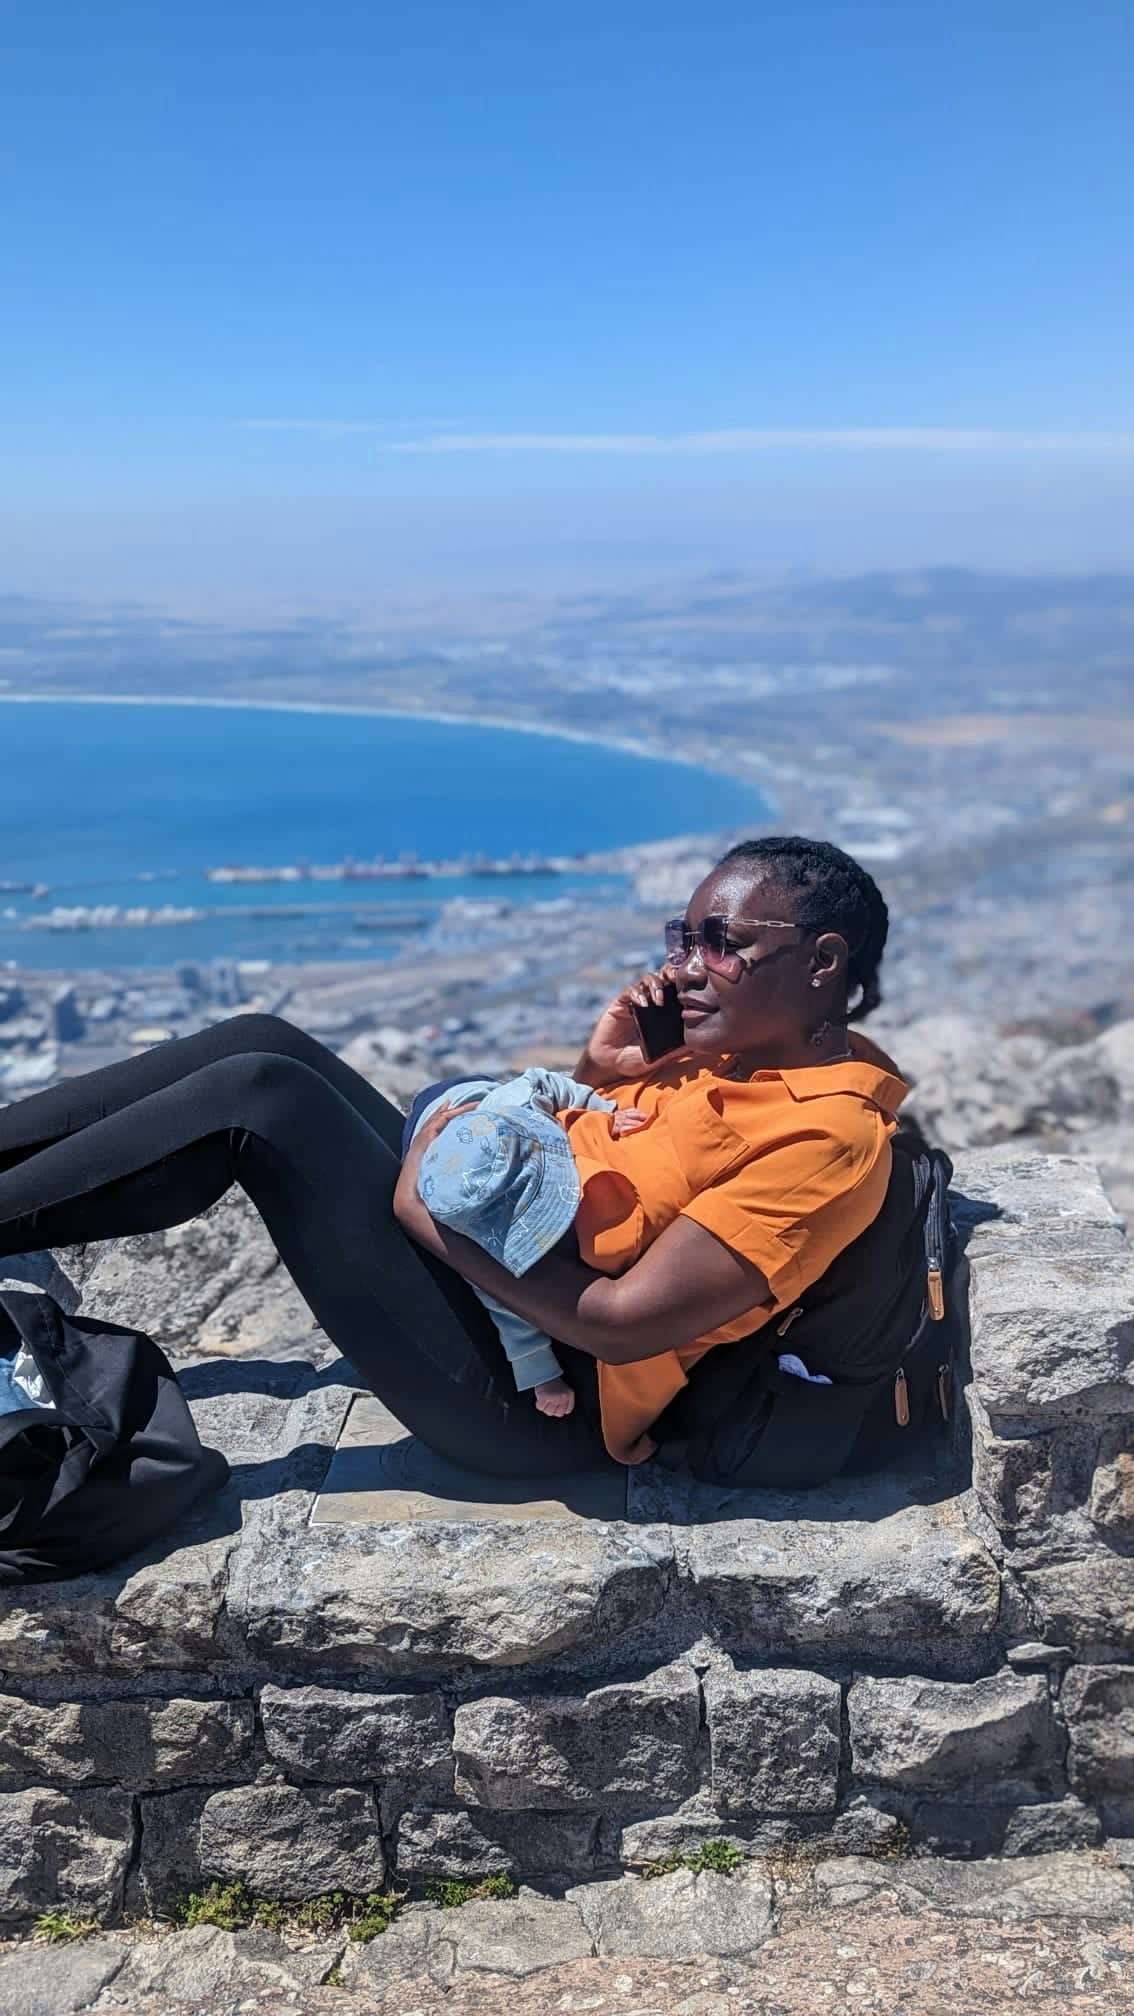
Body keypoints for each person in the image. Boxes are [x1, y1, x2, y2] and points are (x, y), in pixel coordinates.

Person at [0, 835, 908, 1479]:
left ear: (823, 962)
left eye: (723, 944)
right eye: (683, 937)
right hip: (498, 1269)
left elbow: (626, 1323)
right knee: (262, 1038)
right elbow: (587, 1153)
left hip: (542, 1401)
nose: (684, 967)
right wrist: (596, 1071)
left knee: (264, 1101)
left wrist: (425, 1215)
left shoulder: (826, 1136)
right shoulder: (723, 1049)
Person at [404, 1067, 649, 1418]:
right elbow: (505, 1304)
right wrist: (542, 1376)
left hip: (468, 1096)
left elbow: (547, 1082)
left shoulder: (517, 1103)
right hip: (426, 1142)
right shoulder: (461, 1219)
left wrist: (605, 1112)